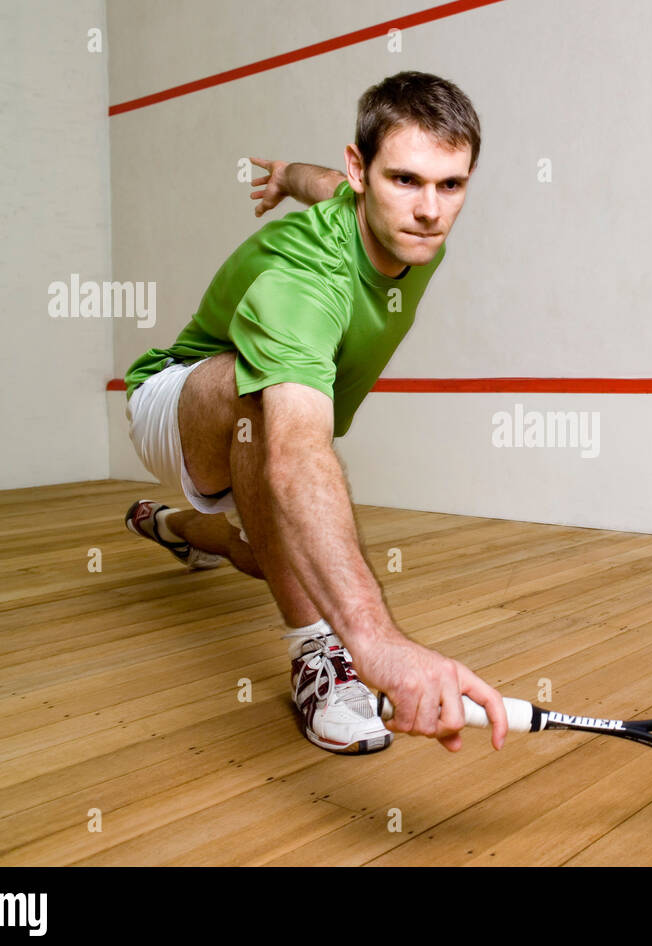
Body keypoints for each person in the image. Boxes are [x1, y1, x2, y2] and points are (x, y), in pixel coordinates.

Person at [122, 71, 507, 757]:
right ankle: (317, 660)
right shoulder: (304, 282)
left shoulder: (397, 219)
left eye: (452, 185)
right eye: (406, 181)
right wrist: (376, 641)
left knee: (266, 555)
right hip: (174, 399)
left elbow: (321, 180)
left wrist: (283, 174)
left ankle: (173, 525)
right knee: (267, 415)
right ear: (366, 171)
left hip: (244, 419)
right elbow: (297, 453)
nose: (430, 210)